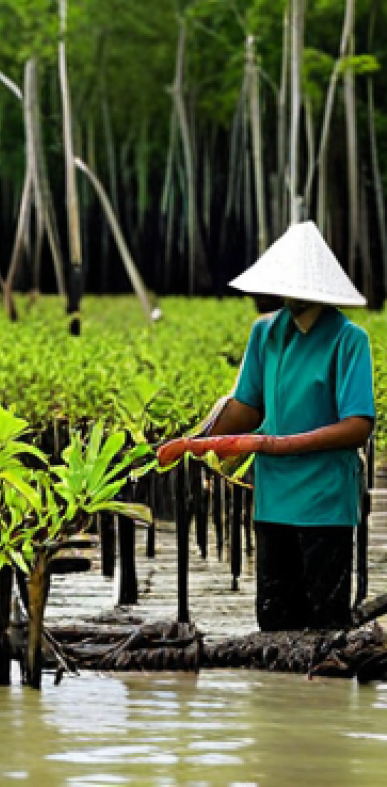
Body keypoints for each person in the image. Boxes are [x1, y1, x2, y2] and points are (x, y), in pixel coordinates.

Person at [157, 221, 375, 631]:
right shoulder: (265, 334)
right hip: (273, 497)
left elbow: (357, 426)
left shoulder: (350, 340)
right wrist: (195, 441)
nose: (290, 295)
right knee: (274, 621)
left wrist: (277, 444)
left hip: (325, 500)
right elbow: (246, 407)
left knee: (325, 627)